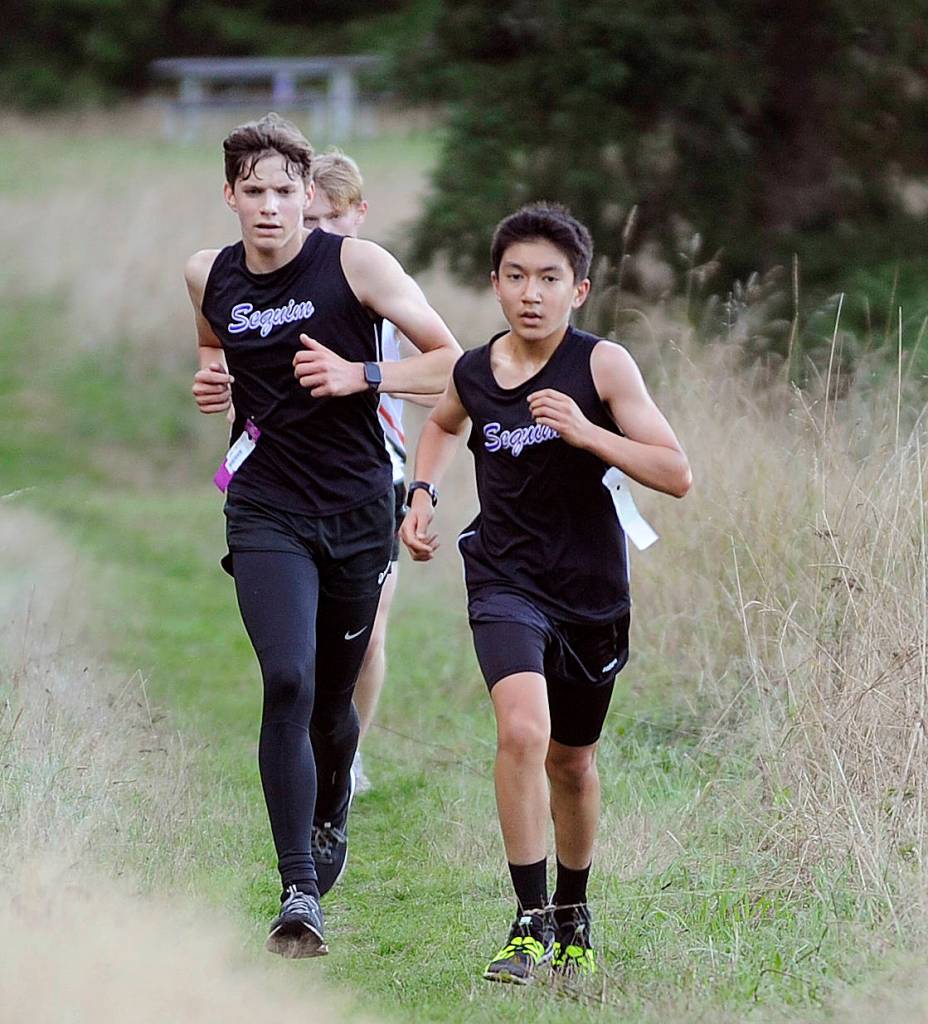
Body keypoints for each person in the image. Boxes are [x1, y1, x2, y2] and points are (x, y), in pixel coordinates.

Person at [186, 113, 460, 959]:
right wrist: (211, 374)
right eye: (254, 192)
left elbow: (458, 362)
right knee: (288, 682)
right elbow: (213, 345)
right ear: (230, 195)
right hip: (265, 507)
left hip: (353, 511)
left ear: (310, 194)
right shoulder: (207, 275)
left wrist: (361, 375)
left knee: (334, 705)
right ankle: (299, 887)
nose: (271, 208)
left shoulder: (355, 264)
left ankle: (334, 795)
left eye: (285, 192)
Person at [401, 202, 691, 983]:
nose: (532, 293)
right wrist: (421, 493)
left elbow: (676, 473)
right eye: (518, 277)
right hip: (504, 578)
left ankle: (572, 910)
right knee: (523, 732)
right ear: (496, 284)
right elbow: (442, 423)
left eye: (550, 279)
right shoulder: (474, 369)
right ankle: (526, 923)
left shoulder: (603, 367)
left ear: (580, 290)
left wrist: (589, 433)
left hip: (592, 592)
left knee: (572, 760)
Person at [304, 150, 442, 794]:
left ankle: (348, 752)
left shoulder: (379, 281)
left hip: (376, 472)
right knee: (303, 636)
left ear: (360, 214)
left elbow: (447, 378)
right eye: (310, 222)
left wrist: (369, 379)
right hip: (292, 477)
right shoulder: (275, 278)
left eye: (333, 220)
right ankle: (309, 741)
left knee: (368, 629)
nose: (321, 235)